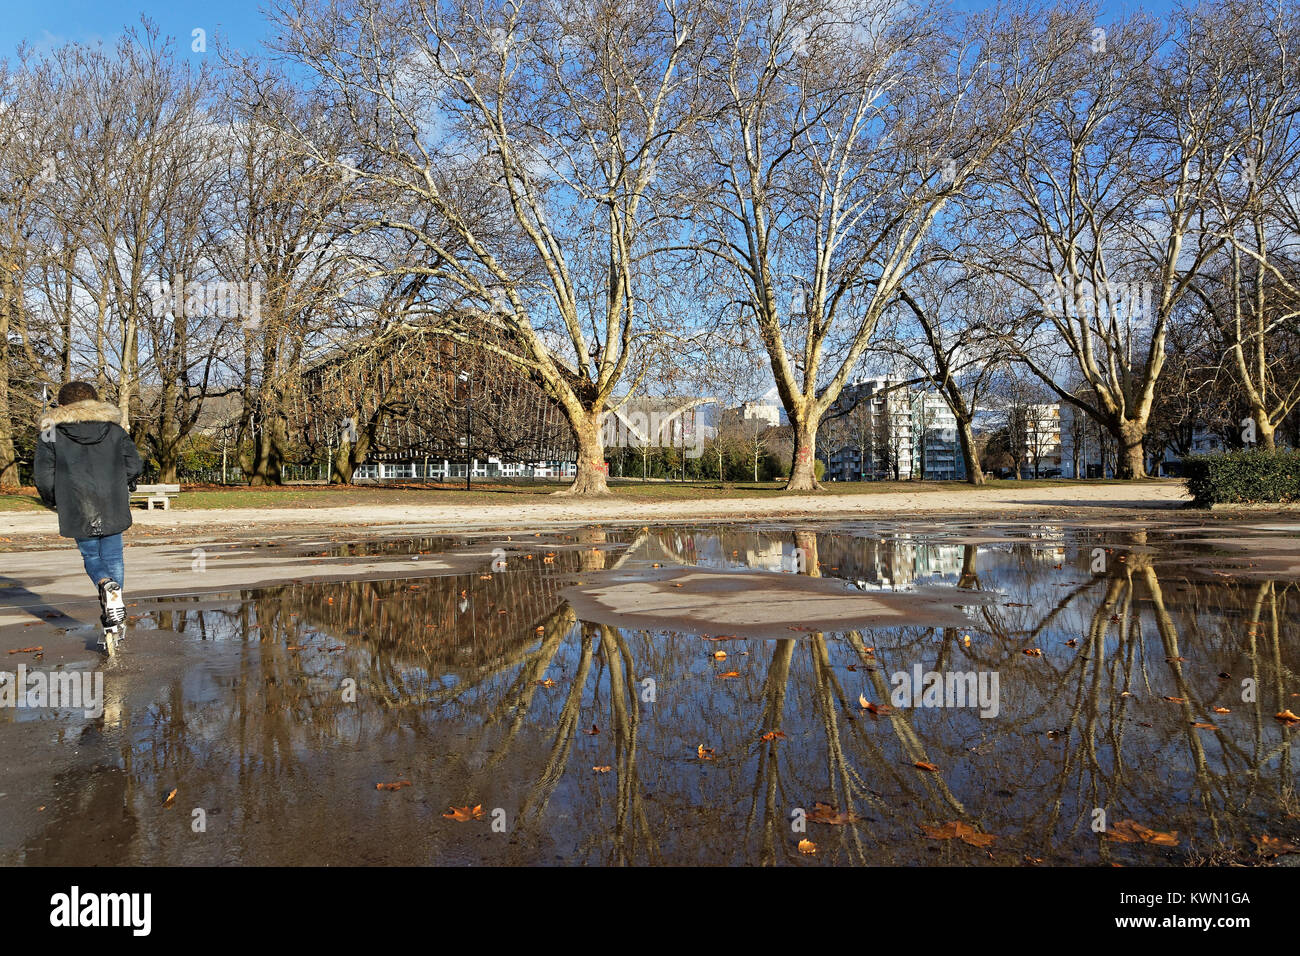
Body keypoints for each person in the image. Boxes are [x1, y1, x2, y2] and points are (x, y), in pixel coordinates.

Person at [34, 382, 143, 652]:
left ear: (61, 405)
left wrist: (52, 500)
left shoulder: (51, 434)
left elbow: (44, 476)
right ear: (96, 402)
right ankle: (113, 623)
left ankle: (106, 587)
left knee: (93, 558)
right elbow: (134, 465)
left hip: (76, 503)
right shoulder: (115, 431)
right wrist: (122, 484)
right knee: (114, 557)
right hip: (112, 501)